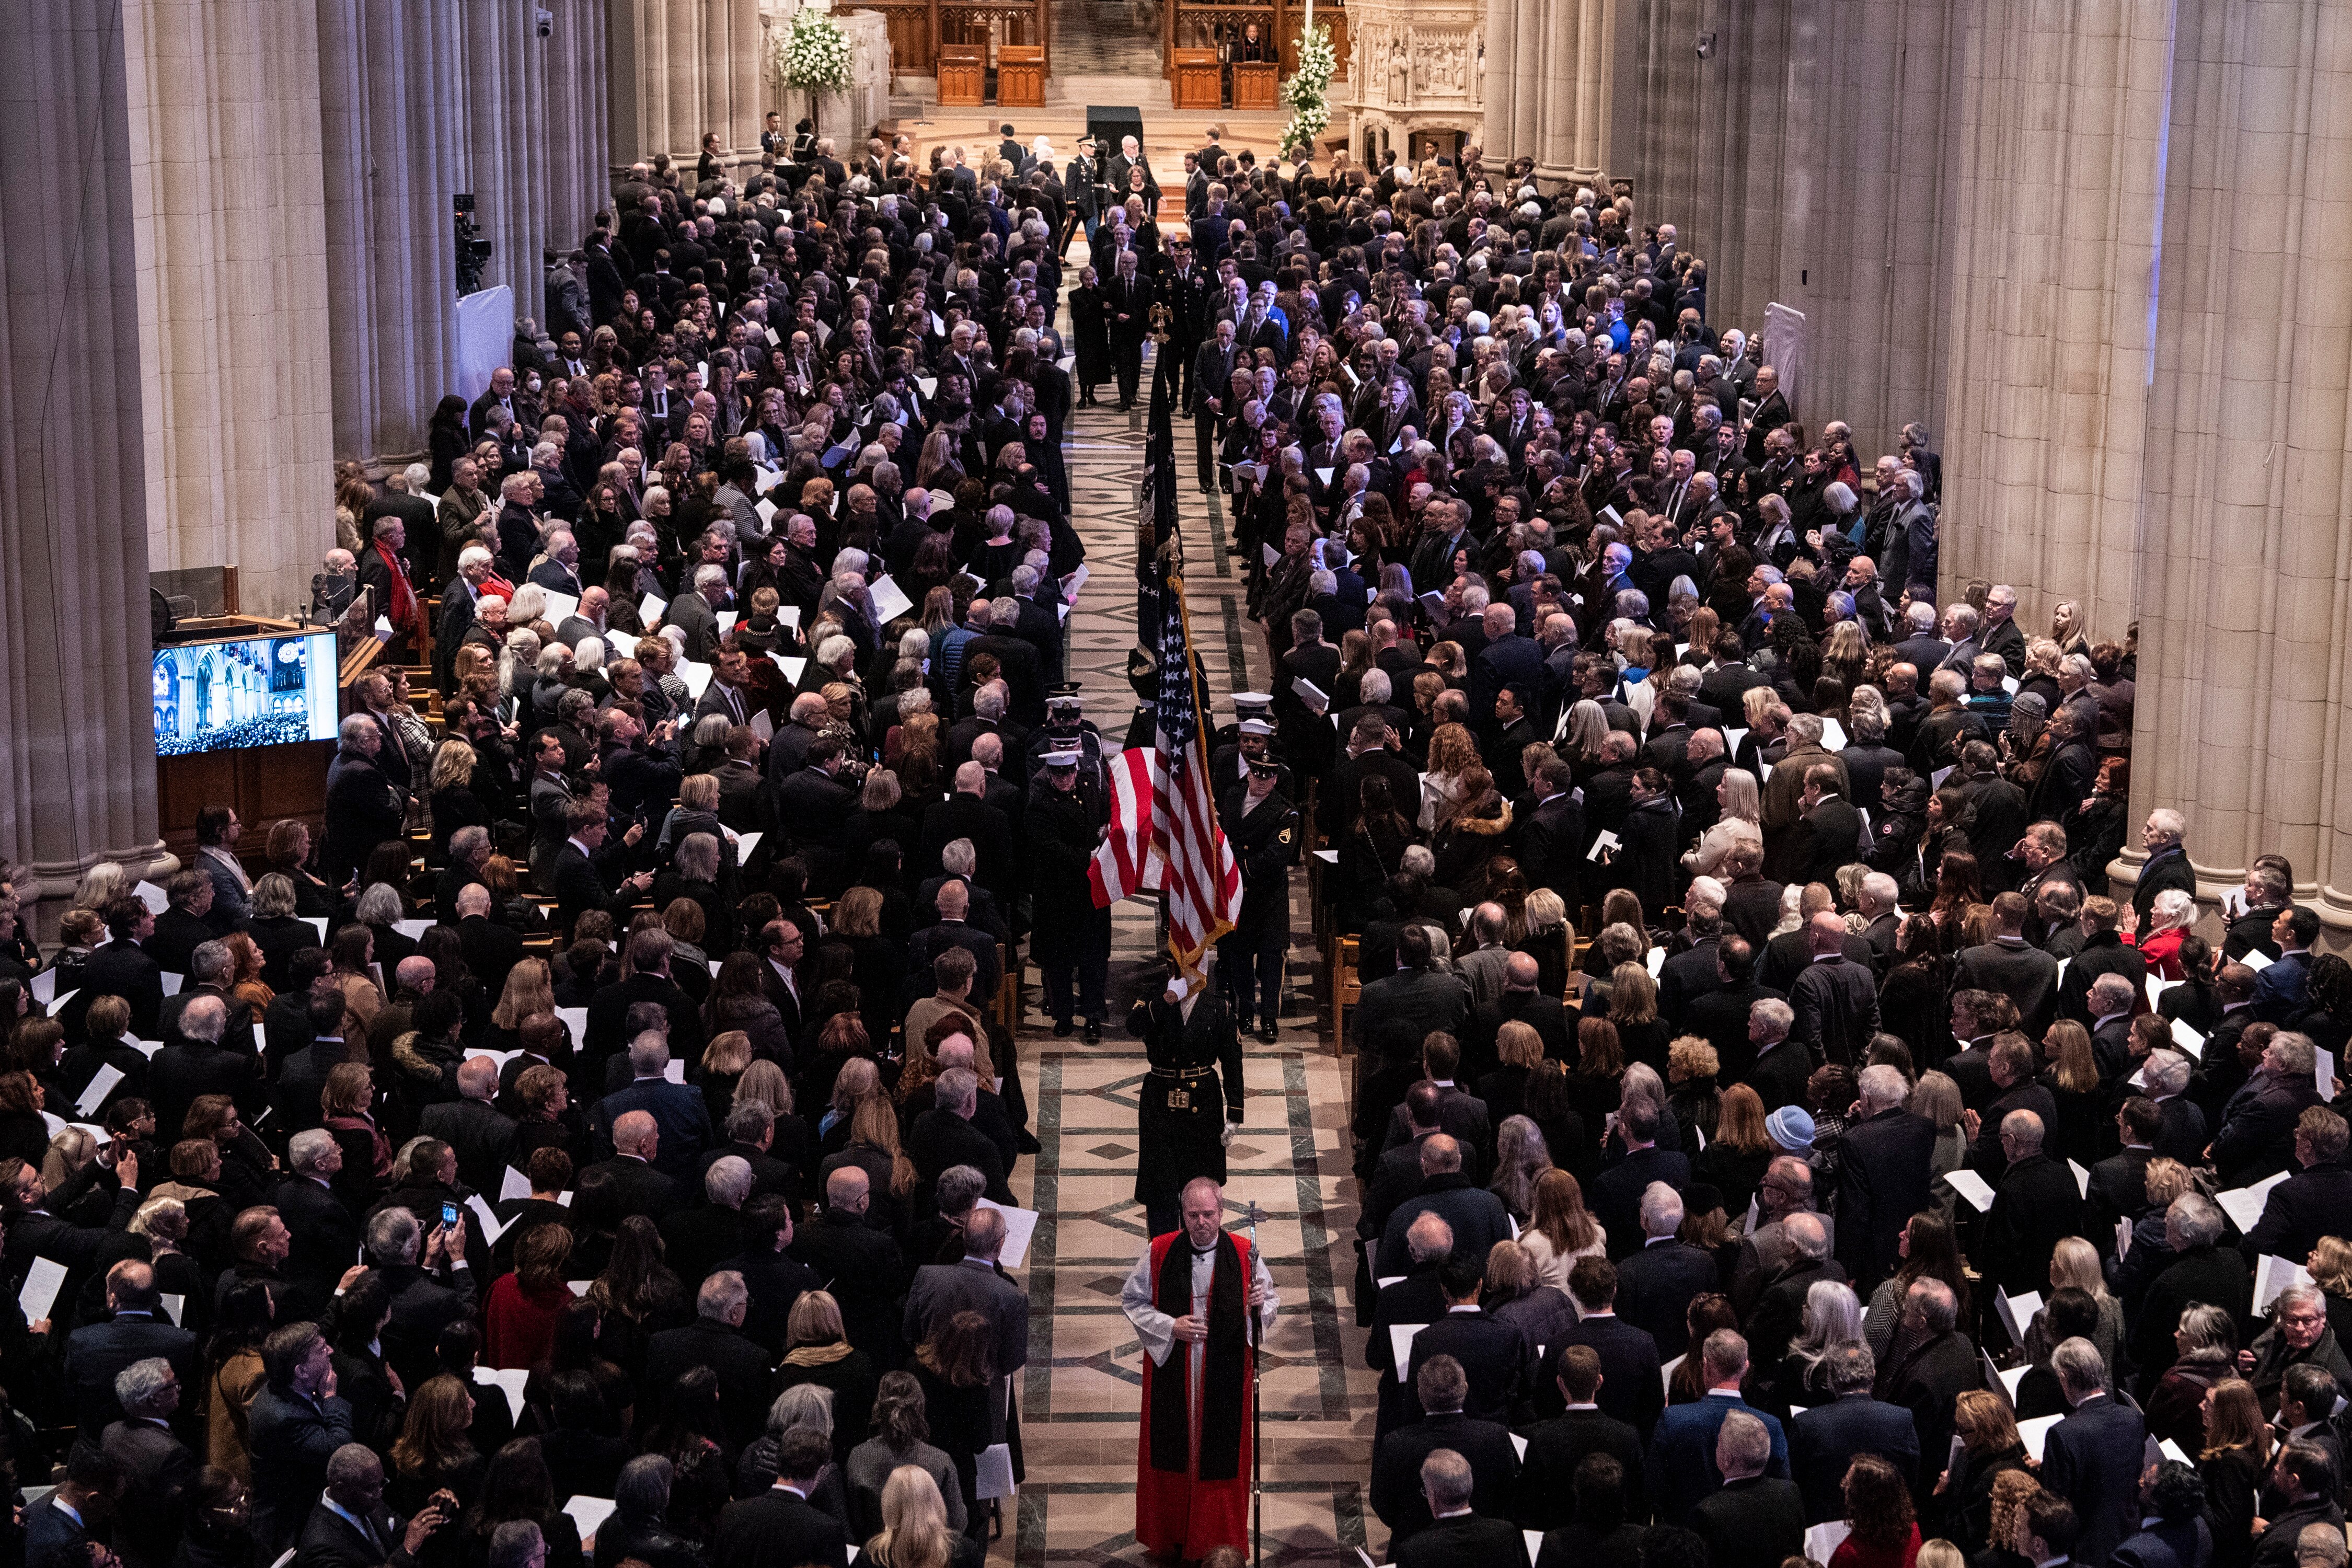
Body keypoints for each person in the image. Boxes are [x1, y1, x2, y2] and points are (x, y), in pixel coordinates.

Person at [1119, 1175, 1278, 1561]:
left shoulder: (1245, 1253)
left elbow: (1269, 1304)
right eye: (1193, 1215)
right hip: (1176, 1365)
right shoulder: (1160, 1250)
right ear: (1183, 1214)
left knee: (1219, 1455)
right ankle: (1172, 1532)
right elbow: (1133, 1300)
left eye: (1209, 1214)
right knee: (1175, 1450)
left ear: (1222, 1213)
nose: (1201, 1222)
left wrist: (1258, 1306)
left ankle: (1215, 1538)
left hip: (1223, 1372)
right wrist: (1171, 1325)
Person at [1126, 959, 1247, 1238]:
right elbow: (1133, 1026)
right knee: (1160, 1190)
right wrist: (1167, 999)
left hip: (1203, 1103)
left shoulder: (1218, 1006)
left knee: (1201, 1188)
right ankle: (1163, 1255)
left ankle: (1201, 1249)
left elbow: (1232, 1062)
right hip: (1160, 1099)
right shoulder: (1154, 997)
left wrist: (1235, 1114)